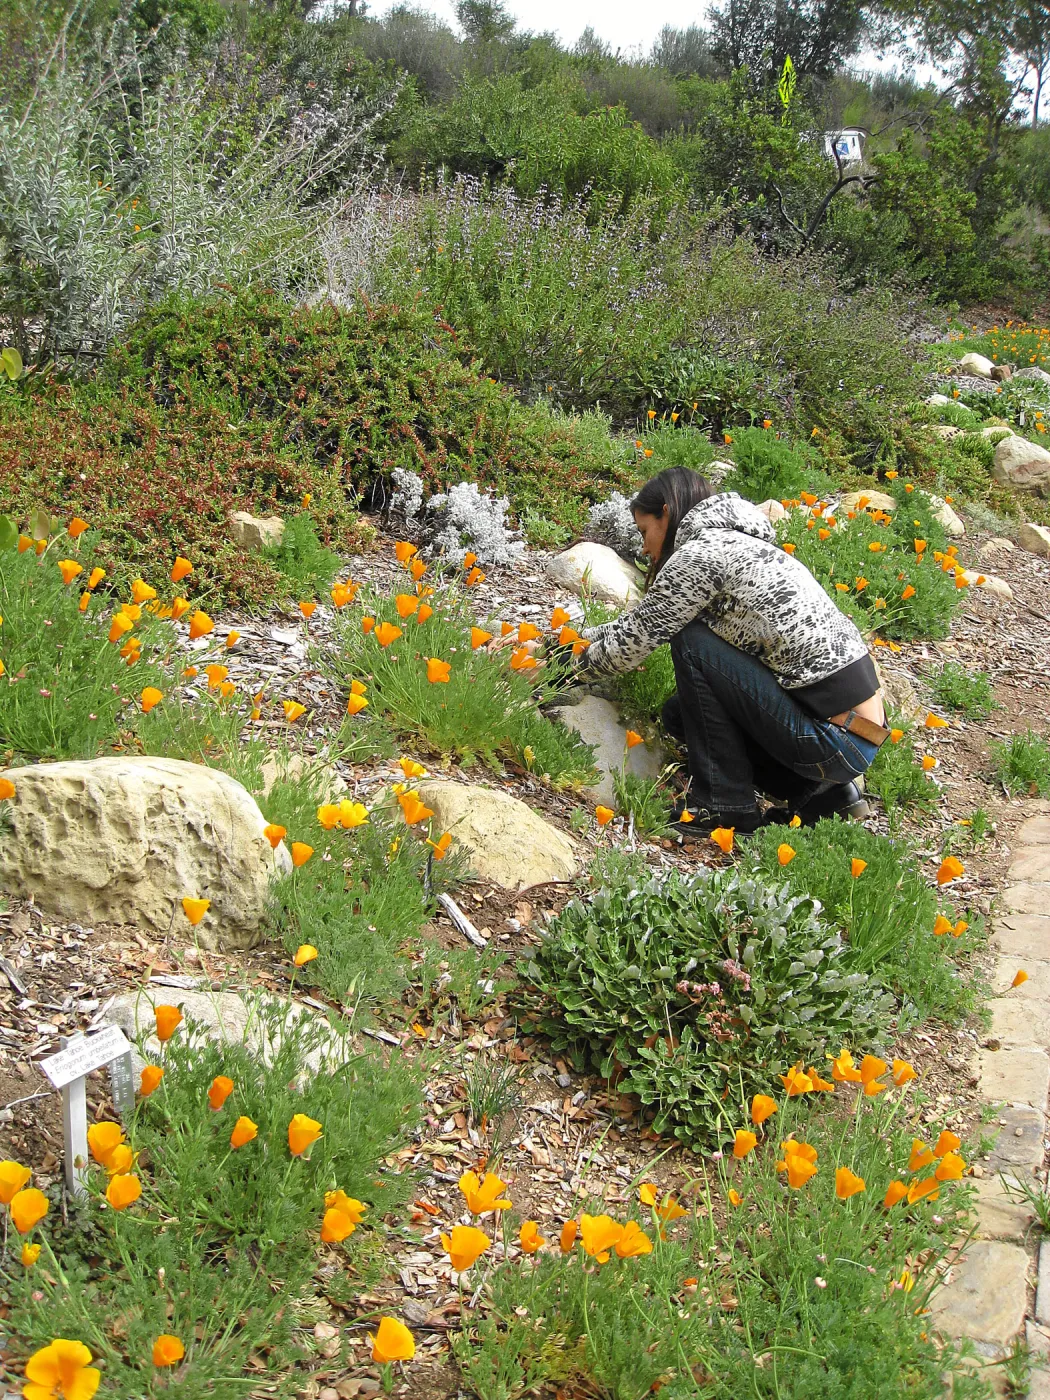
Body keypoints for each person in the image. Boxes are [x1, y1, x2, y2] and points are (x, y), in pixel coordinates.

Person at [575, 466, 889, 833]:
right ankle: (820, 794)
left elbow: (634, 642)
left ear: (667, 511)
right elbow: (639, 623)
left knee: (691, 641)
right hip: (859, 735)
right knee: (679, 716)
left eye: (645, 531)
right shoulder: (739, 543)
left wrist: (566, 664)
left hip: (832, 739)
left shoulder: (702, 554)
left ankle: (724, 807)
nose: (644, 547)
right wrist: (575, 637)